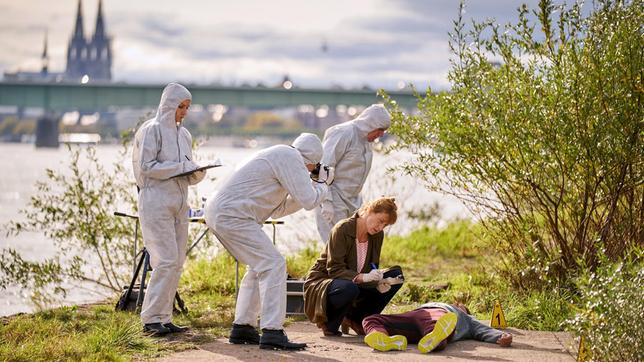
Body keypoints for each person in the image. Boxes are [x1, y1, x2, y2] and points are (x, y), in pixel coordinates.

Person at [204, 133, 331, 350]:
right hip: (232, 216)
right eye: (313, 167)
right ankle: (273, 331)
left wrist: (312, 187)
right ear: (311, 160)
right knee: (274, 264)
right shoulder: (290, 158)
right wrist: (323, 184)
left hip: (224, 213)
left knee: (259, 266)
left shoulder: (281, 157)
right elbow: (310, 200)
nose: (311, 171)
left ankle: (243, 326)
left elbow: (278, 209)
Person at [132, 82, 207, 336]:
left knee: (176, 262)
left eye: (187, 107)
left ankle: (164, 317)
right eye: (180, 106)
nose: (184, 112)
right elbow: (146, 167)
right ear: (168, 105)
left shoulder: (184, 135)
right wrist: (180, 168)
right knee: (164, 260)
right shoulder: (150, 131)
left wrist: (198, 172)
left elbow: (186, 169)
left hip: (180, 202)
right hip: (155, 201)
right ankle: (150, 318)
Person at [304, 197, 401, 337]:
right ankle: (330, 323)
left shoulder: (377, 235)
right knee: (349, 288)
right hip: (325, 281)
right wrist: (363, 277)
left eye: (385, 225)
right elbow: (334, 269)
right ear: (369, 211)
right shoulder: (342, 229)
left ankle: (357, 319)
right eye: (380, 221)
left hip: (355, 283)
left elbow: (372, 267)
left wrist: (378, 281)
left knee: (396, 276)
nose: (380, 227)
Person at [315, 104, 391, 244]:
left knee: (353, 248)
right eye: (380, 129)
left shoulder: (366, 140)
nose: (381, 135)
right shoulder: (343, 133)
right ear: (370, 123)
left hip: (353, 202)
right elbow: (321, 166)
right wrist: (326, 202)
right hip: (333, 201)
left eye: (384, 131)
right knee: (336, 248)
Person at [362, 302, 513, 353]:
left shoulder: (466, 318)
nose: (458, 305)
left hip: (437, 316)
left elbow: (483, 329)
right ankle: (383, 338)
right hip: (418, 314)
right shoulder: (438, 304)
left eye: (461, 306)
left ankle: (434, 338)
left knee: (437, 329)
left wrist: (500, 336)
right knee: (371, 318)